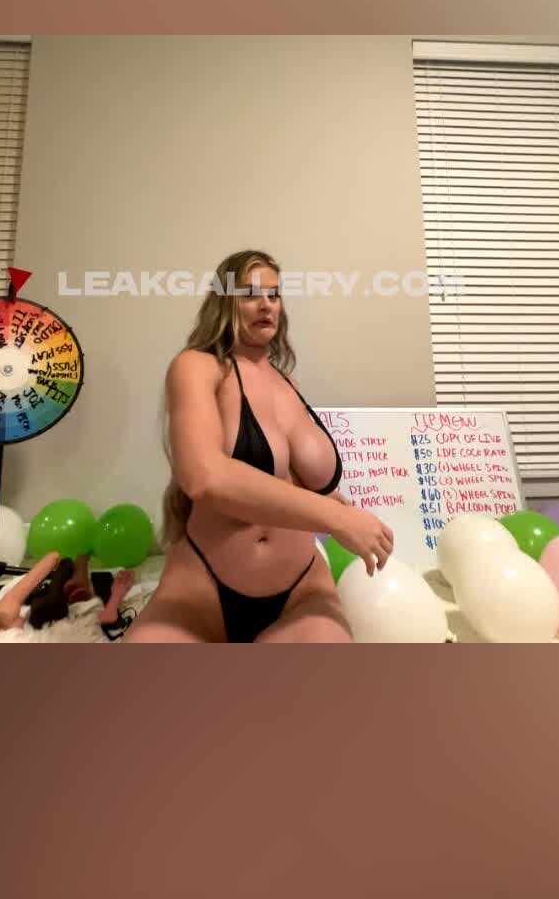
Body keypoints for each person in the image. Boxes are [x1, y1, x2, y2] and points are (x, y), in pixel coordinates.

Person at [124, 250, 393, 645]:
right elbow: (204, 477)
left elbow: (291, 483)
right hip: (202, 594)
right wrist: (337, 520)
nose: (266, 304)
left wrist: (348, 511)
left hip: (300, 592)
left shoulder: (289, 384)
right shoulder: (197, 365)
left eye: (274, 294)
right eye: (250, 294)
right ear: (224, 302)